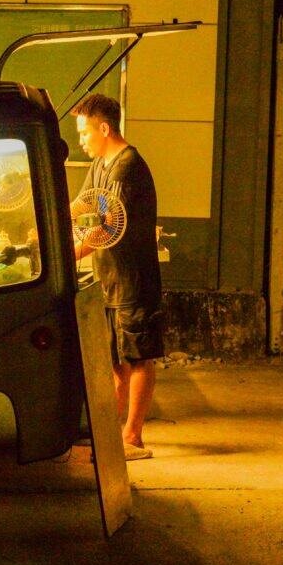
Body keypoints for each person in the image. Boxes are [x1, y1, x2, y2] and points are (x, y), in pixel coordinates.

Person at [70, 94, 163, 460]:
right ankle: (110, 432)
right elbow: (84, 205)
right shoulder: (101, 164)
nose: (80, 141)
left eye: (83, 133)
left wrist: (70, 252)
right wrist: (48, 223)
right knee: (114, 361)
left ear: (104, 128)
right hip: (109, 281)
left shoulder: (127, 167)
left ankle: (133, 437)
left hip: (132, 281)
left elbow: (107, 227)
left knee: (139, 356)